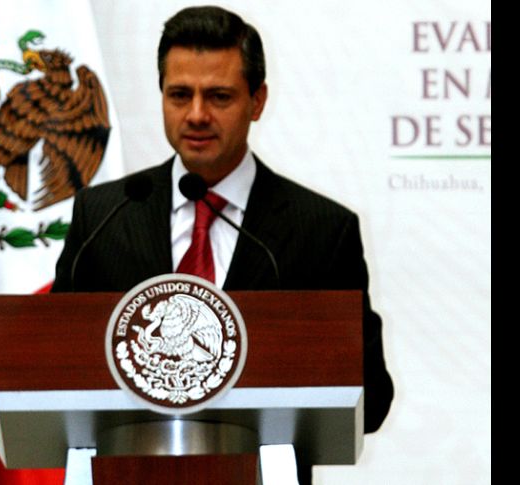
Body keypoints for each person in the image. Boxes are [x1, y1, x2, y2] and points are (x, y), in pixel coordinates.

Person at [52, 6, 393, 483]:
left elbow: (371, 398)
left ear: (257, 101)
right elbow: (53, 373)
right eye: (179, 95)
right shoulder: (104, 217)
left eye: (219, 96)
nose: (196, 115)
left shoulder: (321, 230)